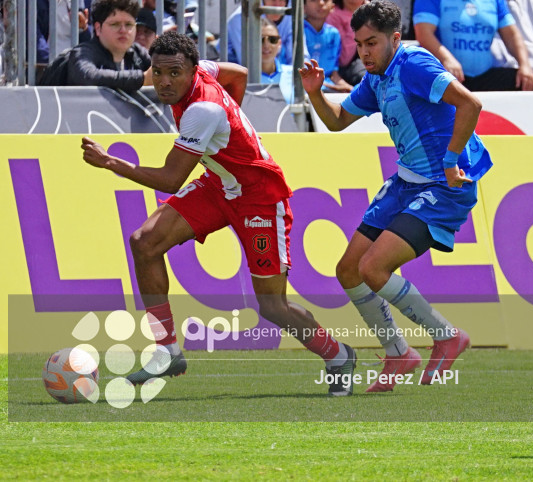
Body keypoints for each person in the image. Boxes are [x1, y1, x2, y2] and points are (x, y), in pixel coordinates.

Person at [82, 31, 358, 397]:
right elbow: (240, 74)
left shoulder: (203, 110)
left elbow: (170, 178)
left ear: (192, 71)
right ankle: (167, 351)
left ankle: (339, 355)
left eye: (174, 74)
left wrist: (110, 162)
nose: (164, 82)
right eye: (158, 72)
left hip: (259, 197)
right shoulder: (204, 71)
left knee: (272, 306)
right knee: (144, 243)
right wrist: (233, 125)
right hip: (220, 184)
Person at [300, 0, 491, 392]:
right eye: (359, 44)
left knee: (374, 269)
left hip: (445, 184)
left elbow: (470, 104)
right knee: (348, 270)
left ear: (395, 39)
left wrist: (453, 159)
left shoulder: (415, 66)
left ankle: (446, 335)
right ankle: (399, 353)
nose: (364, 52)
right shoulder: (375, 78)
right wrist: (316, 94)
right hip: (407, 182)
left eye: (372, 42)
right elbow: (337, 122)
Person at [40, 0, 151, 89]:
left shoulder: (138, 53)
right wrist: (142, 79)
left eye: (129, 24)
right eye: (115, 24)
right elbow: (89, 77)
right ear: (98, 28)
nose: (123, 30)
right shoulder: (82, 53)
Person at [327, 0, 385, 87]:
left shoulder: (375, 11)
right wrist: (361, 21)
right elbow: (344, 59)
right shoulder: (333, 16)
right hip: (345, 70)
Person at [227, 0, 294, 66]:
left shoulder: (290, 18)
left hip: (275, 72)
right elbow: (247, 62)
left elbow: (299, 56)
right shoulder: (240, 19)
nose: (277, 5)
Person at [303, 0, 348, 92]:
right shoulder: (297, 30)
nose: (321, 3)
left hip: (327, 86)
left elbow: (334, 74)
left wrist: (348, 89)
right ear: (303, 7)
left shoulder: (334, 34)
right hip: (303, 85)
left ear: (332, 7)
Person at [260, 17, 295, 102]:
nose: (266, 45)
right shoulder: (242, 78)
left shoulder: (294, 74)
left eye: (272, 39)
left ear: (279, 43)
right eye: (261, 39)